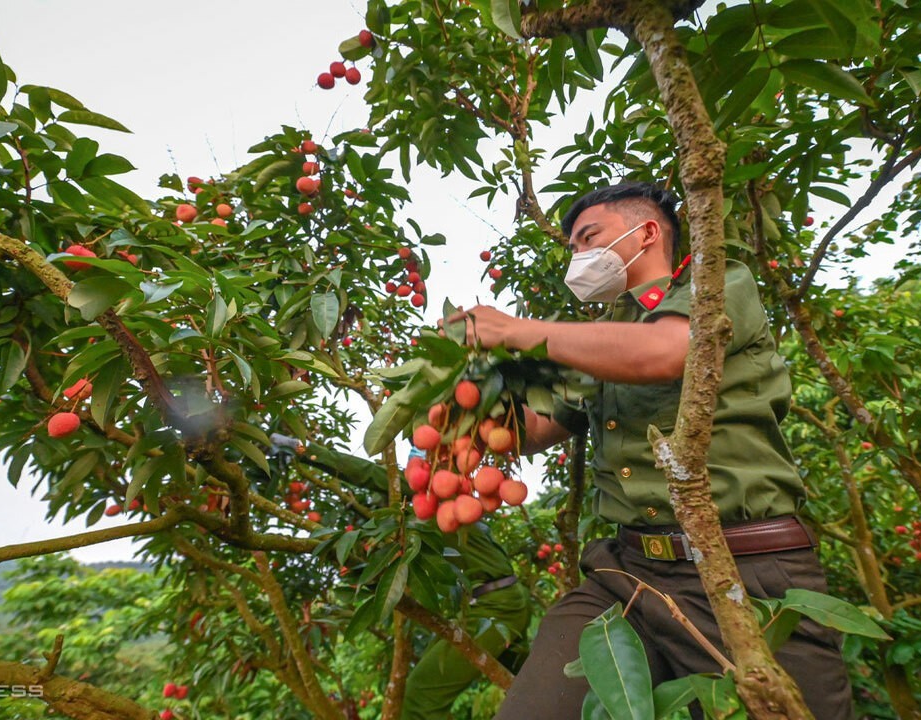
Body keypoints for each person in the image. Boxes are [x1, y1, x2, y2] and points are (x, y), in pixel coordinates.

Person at [443, 182, 853, 719]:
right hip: (628, 573)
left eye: (589, 237)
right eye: (572, 249)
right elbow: (537, 430)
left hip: (745, 571)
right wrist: (464, 398)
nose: (580, 256)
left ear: (649, 232)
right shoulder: (599, 338)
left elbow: (664, 352)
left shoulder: (720, 283)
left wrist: (515, 330)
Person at [269, 435, 532, 720]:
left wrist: (302, 449)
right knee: (534, 684)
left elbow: (366, 473)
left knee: (421, 694)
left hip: (497, 608)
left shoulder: (436, 490)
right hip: (501, 602)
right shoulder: (450, 498)